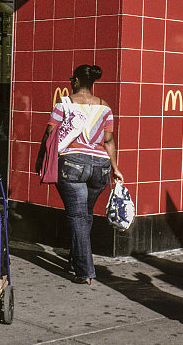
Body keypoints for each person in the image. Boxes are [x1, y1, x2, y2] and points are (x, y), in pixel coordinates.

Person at [36, 64, 123, 285]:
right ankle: (76, 259)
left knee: (77, 216)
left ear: (75, 81)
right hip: (100, 167)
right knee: (85, 213)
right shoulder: (106, 108)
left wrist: (41, 158)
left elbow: (49, 134)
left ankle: (85, 270)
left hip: (72, 164)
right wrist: (115, 168)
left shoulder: (64, 104)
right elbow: (109, 141)